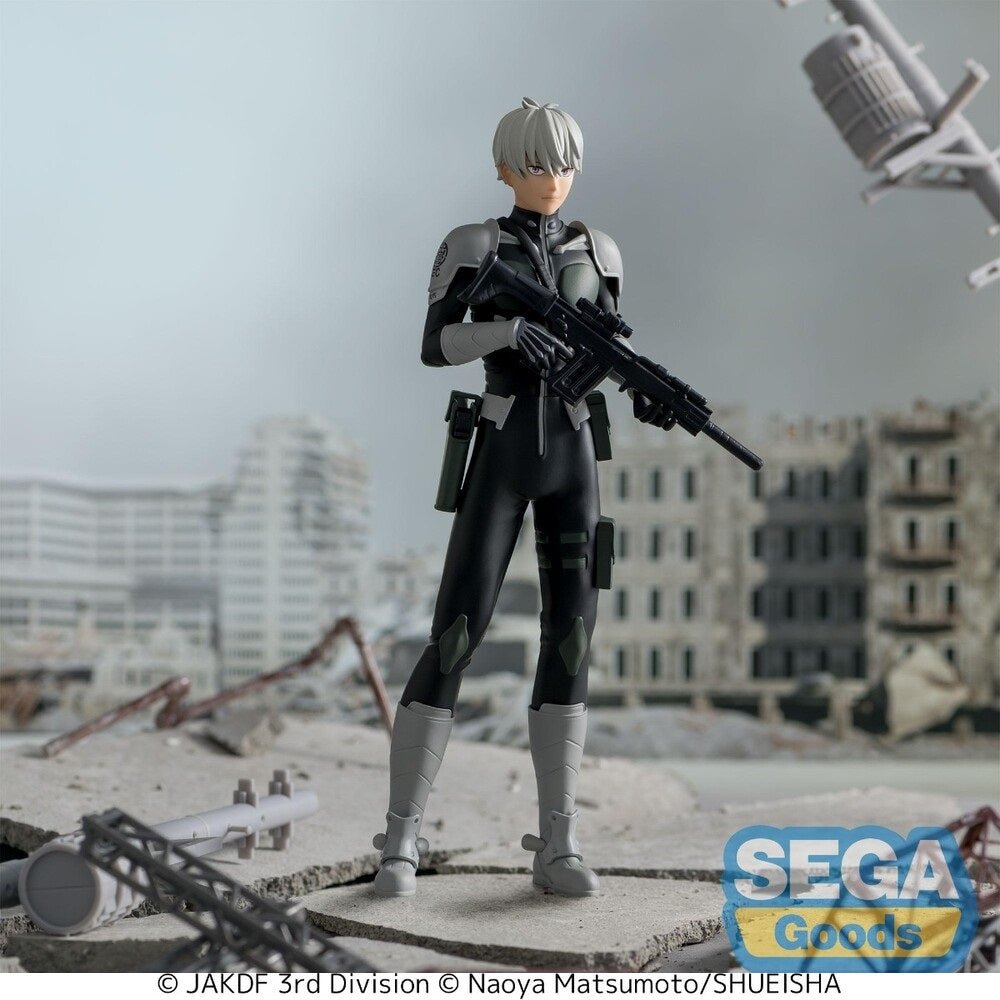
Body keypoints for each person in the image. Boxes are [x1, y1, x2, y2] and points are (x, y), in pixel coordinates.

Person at [371, 98, 668, 899]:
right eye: (537, 165)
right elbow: (435, 343)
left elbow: (610, 345)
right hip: (502, 445)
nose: (552, 179)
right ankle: (401, 838)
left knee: (571, 640)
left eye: (564, 164)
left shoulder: (599, 251)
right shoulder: (476, 245)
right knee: (456, 633)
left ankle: (559, 839)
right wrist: (505, 333)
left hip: (573, 452)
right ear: (505, 168)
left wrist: (638, 384)